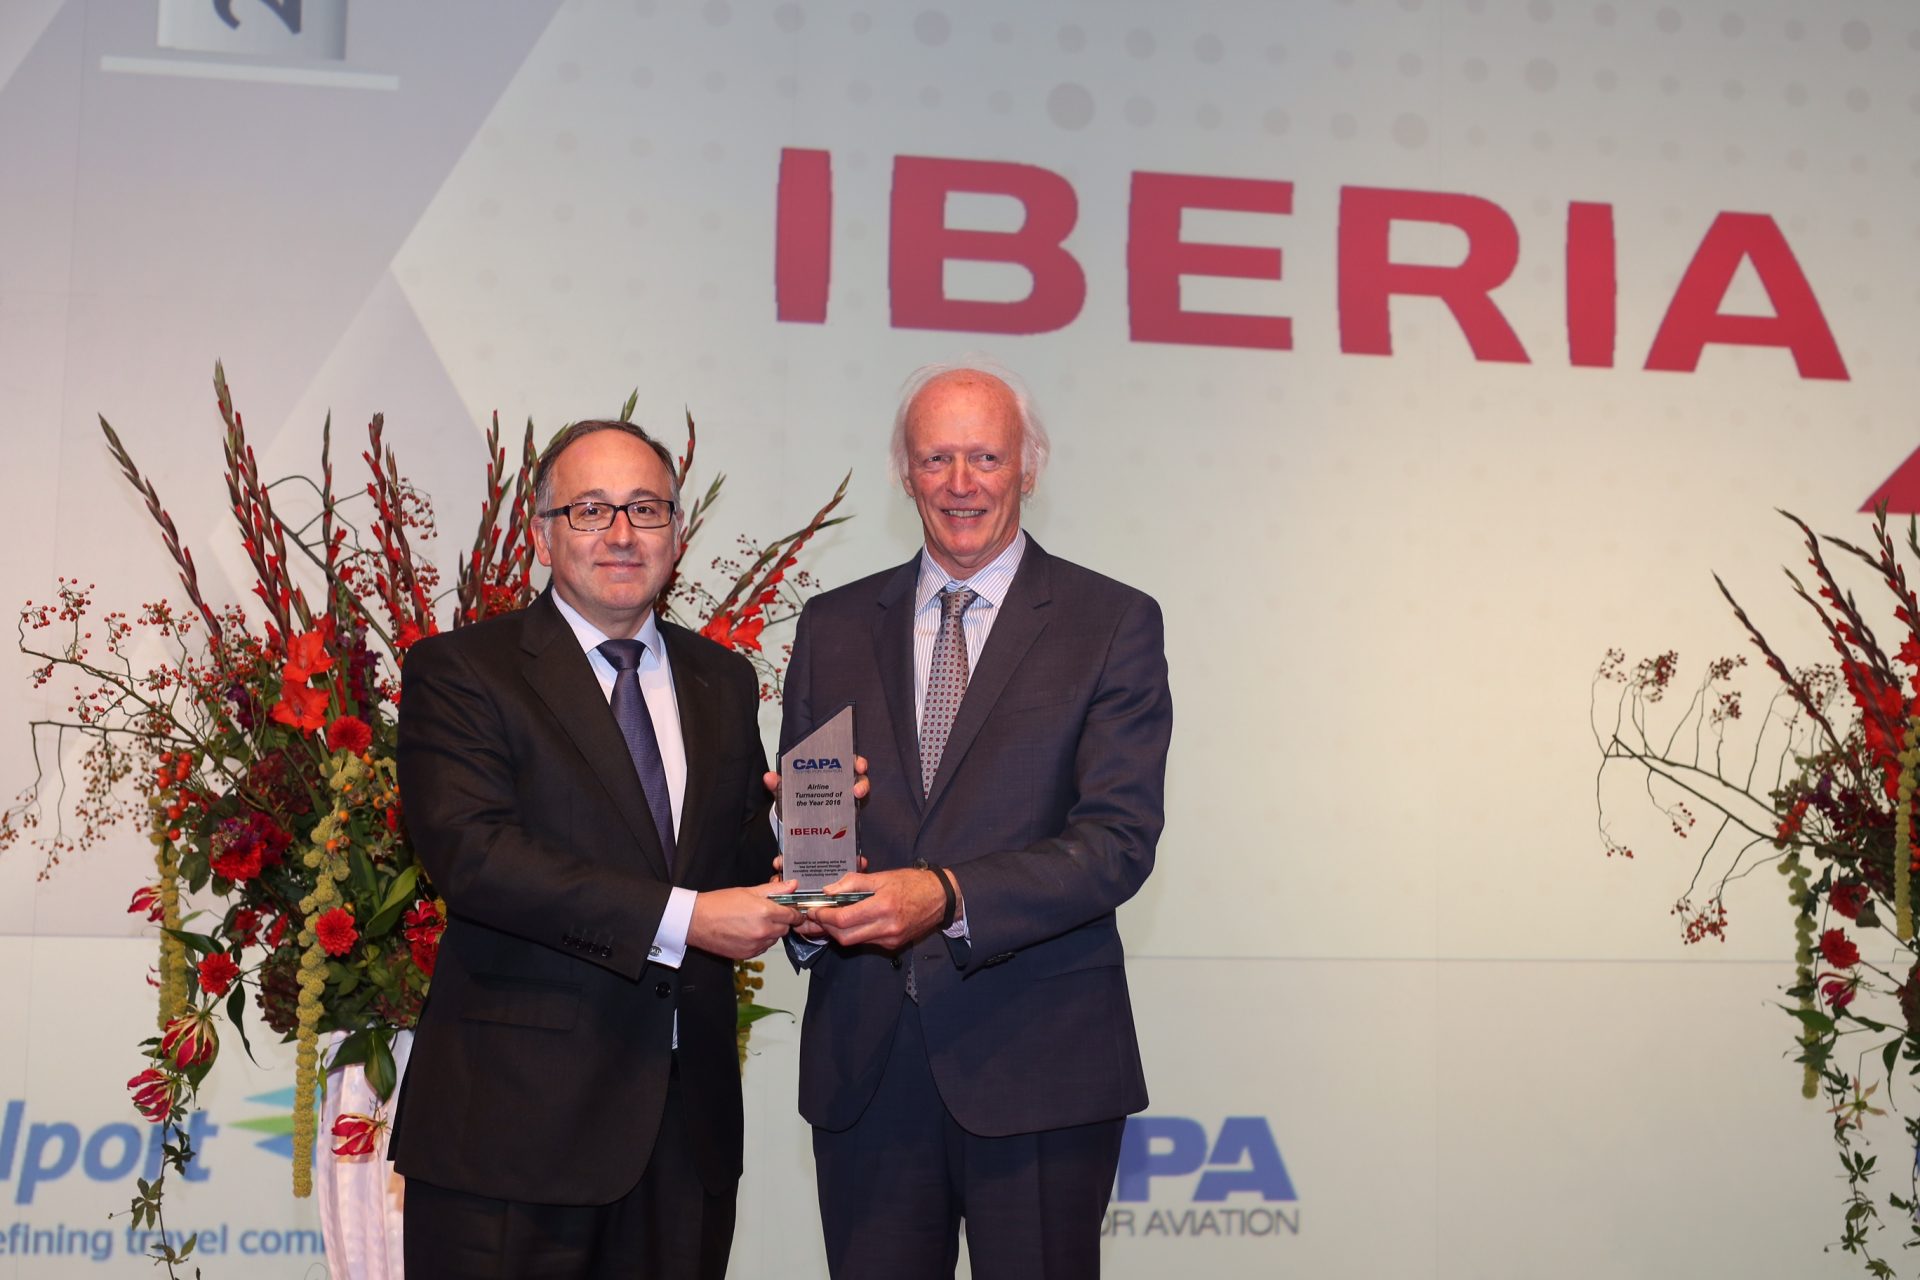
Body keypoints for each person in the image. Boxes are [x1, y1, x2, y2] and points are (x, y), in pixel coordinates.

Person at [779, 363, 1173, 1278]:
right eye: (937, 458)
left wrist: (946, 895)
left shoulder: (1109, 622)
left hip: (1039, 1063)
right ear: (903, 473)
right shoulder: (831, 626)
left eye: (986, 456)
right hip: (865, 1065)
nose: (961, 483)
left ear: (1029, 467)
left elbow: (1116, 842)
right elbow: (811, 826)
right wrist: (804, 900)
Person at [390, 419, 803, 1280]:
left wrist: (819, 840)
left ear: (679, 533)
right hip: (512, 1136)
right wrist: (688, 919)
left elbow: (732, 867)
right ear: (542, 533)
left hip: (685, 1136)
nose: (622, 534)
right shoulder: (462, 670)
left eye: (646, 508)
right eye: (591, 510)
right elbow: (477, 858)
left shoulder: (721, 680)